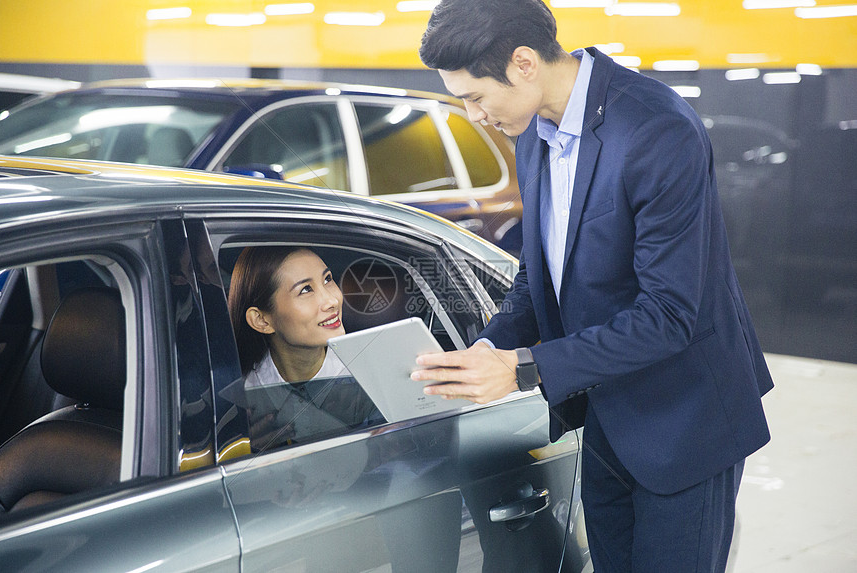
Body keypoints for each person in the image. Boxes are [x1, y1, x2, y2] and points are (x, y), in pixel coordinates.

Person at [415, 1, 773, 571]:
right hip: (608, 414)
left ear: (524, 63)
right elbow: (541, 275)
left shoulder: (658, 130)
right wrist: (488, 347)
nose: (474, 114)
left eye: (476, 96)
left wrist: (525, 366)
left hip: (686, 421)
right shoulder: (534, 135)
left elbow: (669, 314)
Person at [227, 246, 383, 449]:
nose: (332, 300)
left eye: (328, 279)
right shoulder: (235, 401)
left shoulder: (374, 375)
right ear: (261, 320)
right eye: (306, 290)